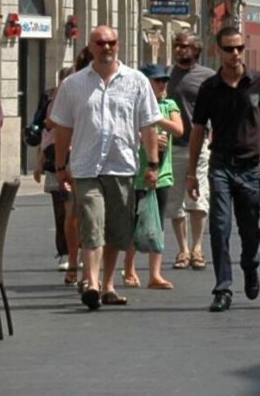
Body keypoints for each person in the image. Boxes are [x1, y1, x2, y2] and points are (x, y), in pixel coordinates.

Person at [48, 24, 163, 311]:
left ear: (119, 45)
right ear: (90, 47)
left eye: (111, 42)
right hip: (85, 168)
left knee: (116, 230)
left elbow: (148, 125)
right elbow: (62, 128)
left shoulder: (136, 81)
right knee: (91, 221)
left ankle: (108, 285)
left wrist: (152, 164)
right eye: (100, 43)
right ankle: (92, 283)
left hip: (122, 165)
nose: (106, 47)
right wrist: (60, 165)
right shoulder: (73, 84)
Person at [188, 24, 260, 312]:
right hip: (221, 164)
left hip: (250, 166)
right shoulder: (209, 88)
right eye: (229, 49)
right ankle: (223, 288)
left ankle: (250, 265)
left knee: (250, 228)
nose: (235, 53)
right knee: (220, 226)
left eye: (239, 48)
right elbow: (198, 130)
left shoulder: (259, 82)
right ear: (218, 51)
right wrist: (191, 173)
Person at [116, 64, 184, 291]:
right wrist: (145, 134)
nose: (162, 85)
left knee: (157, 223)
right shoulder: (134, 106)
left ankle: (155, 274)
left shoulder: (168, 105)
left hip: (162, 174)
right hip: (136, 172)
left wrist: (156, 120)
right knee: (134, 223)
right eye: (157, 81)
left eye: (164, 81)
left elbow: (179, 129)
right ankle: (129, 267)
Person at [169, 33, 214, 269]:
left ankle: (198, 248)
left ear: (196, 50)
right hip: (172, 147)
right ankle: (182, 249)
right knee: (175, 201)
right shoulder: (166, 76)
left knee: (198, 197)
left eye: (185, 46)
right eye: (177, 45)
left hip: (200, 145)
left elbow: (217, 111)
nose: (179, 50)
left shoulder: (207, 77)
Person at [38, 65, 77, 274]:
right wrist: (39, 162)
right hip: (57, 162)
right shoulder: (54, 103)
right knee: (61, 210)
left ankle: (78, 252)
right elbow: (47, 135)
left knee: (79, 211)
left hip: (80, 161)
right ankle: (64, 252)